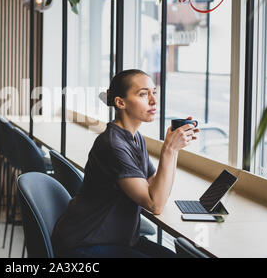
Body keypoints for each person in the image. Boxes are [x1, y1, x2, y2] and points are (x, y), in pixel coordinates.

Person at [50, 69, 199, 258]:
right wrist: (169, 150)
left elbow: (155, 187)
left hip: (118, 239)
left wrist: (174, 148)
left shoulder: (136, 138)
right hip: (86, 244)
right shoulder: (113, 144)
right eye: (143, 94)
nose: (153, 100)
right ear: (120, 102)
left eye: (154, 92)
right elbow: (155, 204)